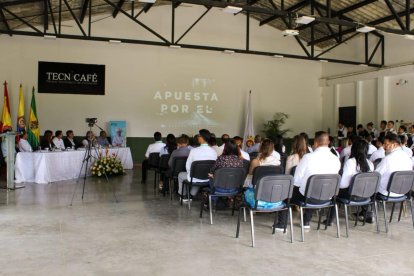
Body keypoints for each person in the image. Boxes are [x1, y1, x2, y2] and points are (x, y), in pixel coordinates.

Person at [275, 131, 341, 231]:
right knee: (313, 189)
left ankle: (281, 224)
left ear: (315, 142)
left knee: (286, 193)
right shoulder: (336, 159)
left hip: (308, 197)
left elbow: (296, 181)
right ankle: (306, 221)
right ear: (328, 142)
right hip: (328, 197)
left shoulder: (308, 158)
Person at [327, 139, 374, 224]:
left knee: (335, 193)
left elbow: (343, 184)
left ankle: (330, 220)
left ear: (353, 149)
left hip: (351, 196)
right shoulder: (370, 164)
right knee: (362, 189)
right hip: (367, 196)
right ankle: (368, 215)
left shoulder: (350, 162)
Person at [178, 129, 217, 201]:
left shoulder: (194, 151)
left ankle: (183, 196)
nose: (198, 137)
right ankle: (192, 195)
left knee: (181, 175)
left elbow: (188, 166)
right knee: (198, 175)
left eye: (199, 135)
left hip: (196, 177)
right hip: (208, 178)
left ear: (201, 138)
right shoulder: (214, 152)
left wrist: (191, 173)